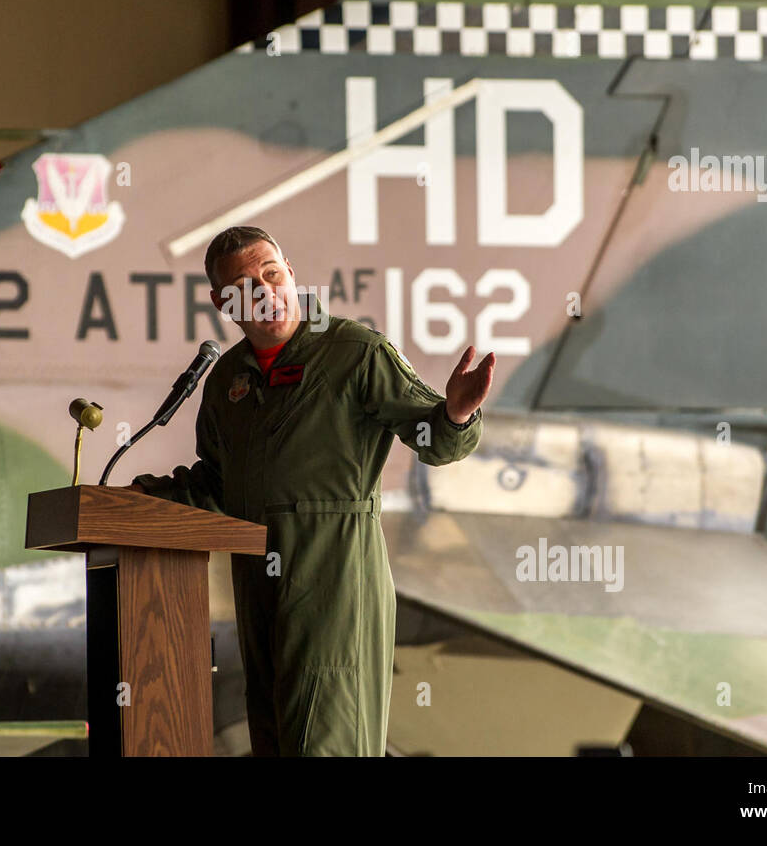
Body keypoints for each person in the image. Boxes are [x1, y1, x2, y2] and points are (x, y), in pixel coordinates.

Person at [124, 225, 493, 755]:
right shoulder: (228, 379)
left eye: (271, 275)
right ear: (221, 302)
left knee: (326, 741)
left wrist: (458, 412)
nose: (263, 291)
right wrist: (139, 500)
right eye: (243, 286)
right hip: (259, 591)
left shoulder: (354, 352)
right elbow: (220, 483)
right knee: (274, 739)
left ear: (290, 274)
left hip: (334, 587)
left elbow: (435, 441)